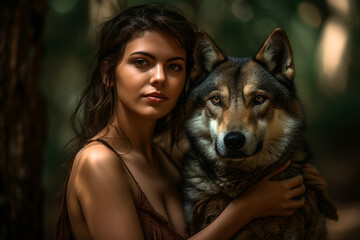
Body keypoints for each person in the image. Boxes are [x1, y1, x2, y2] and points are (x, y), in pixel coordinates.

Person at [55, 3, 329, 240]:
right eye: (142, 62)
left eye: (174, 66)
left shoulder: (166, 159)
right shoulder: (98, 163)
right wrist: (244, 209)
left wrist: (303, 185)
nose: (159, 77)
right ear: (108, 74)